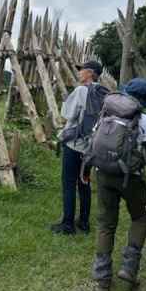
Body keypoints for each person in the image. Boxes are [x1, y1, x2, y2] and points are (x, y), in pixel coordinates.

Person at [91, 78, 146, 291]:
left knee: (106, 223)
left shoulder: (106, 113)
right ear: (143, 100)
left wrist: (86, 170)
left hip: (103, 173)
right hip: (131, 178)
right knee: (141, 218)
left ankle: (102, 279)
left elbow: (94, 142)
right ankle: (129, 268)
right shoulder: (144, 120)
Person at [51, 60, 107, 235]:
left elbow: (66, 114)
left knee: (68, 183)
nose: (79, 73)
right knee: (84, 183)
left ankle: (67, 224)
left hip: (75, 145)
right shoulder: (103, 93)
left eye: (81, 70)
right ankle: (83, 222)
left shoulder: (81, 90)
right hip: (91, 147)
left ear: (90, 73)